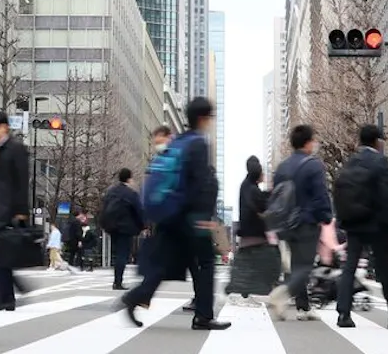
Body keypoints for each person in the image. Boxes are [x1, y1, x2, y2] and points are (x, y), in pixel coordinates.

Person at [121, 97, 230, 331]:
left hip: (170, 214)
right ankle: (203, 316)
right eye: (210, 117)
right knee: (206, 262)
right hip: (189, 217)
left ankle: (136, 296)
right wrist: (204, 217)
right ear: (203, 118)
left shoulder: (179, 141)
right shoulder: (199, 143)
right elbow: (199, 183)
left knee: (165, 263)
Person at [334, 124, 388, 329]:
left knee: (349, 267)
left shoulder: (350, 162)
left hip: (353, 223)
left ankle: (343, 314)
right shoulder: (380, 161)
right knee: (384, 269)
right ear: (377, 141)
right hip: (376, 223)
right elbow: (384, 195)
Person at [268, 125, 332, 322]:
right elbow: (321, 194)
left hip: (286, 224)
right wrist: (326, 216)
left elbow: (275, 196)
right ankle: (283, 293)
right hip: (306, 222)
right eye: (313, 140)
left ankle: (303, 307)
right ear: (307, 142)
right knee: (305, 266)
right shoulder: (313, 165)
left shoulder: (282, 167)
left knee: (296, 266)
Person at [0, 110, 30, 311]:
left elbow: (22, 181)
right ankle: (9, 295)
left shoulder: (15, 149)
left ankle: (6, 298)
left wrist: (21, 210)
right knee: (0, 256)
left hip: (7, 211)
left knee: (1, 256)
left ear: (3, 127)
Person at [226, 155, 279, 299]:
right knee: (270, 261)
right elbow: (261, 204)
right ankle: (241, 286)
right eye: (262, 173)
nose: (264, 175)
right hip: (254, 234)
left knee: (246, 262)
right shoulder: (251, 189)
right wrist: (273, 193)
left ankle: (239, 286)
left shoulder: (247, 186)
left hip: (249, 233)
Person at [100, 168, 144, 290]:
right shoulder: (131, 194)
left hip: (112, 227)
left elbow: (103, 209)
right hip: (126, 228)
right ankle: (117, 281)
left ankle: (117, 280)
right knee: (122, 254)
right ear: (129, 179)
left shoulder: (110, 192)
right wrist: (142, 225)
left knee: (118, 253)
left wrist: (104, 224)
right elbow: (139, 211)